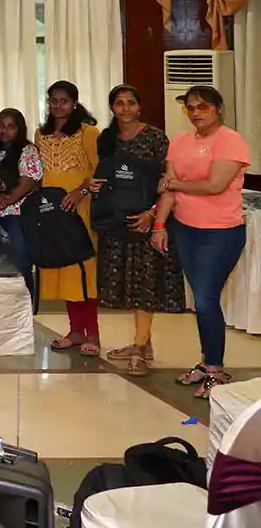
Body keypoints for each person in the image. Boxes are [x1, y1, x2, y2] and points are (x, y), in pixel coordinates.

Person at [152, 85, 251, 398]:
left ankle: (216, 370)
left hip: (220, 232)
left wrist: (175, 183)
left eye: (203, 107)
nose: (195, 113)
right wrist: (159, 225)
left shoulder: (230, 140)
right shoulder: (180, 141)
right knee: (201, 300)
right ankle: (207, 361)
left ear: (218, 109)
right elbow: (167, 191)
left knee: (207, 299)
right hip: (186, 229)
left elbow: (215, 185)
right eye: (190, 108)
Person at [93, 86, 176, 376]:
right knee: (127, 283)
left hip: (147, 219)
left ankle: (140, 348)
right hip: (117, 221)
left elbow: (168, 179)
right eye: (119, 103)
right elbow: (103, 174)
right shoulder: (106, 139)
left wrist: (153, 214)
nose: (125, 108)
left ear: (139, 107)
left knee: (145, 283)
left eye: (131, 103)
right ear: (112, 108)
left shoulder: (154, 137)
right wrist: (92, 185)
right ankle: (143, 342)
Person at [36, 81, 102, 356]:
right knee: (65, 271)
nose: (58, 106)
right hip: (53, 213)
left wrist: (81, 191)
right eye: (53, 100)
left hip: (81, 210)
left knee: (84, 271)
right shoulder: (41, 135)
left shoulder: (88, 133)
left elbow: (101, 172)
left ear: (74, 103)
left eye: (64, 100)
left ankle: (93, 335)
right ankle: (75, 331)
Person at [0, 109, 43, 295]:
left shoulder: (28, 151)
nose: (4, 130)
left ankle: (26, 308)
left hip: (16, 216)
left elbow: (26, 185)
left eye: (10, 126)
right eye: (1, 125)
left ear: (19, 129)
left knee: (19, 265)